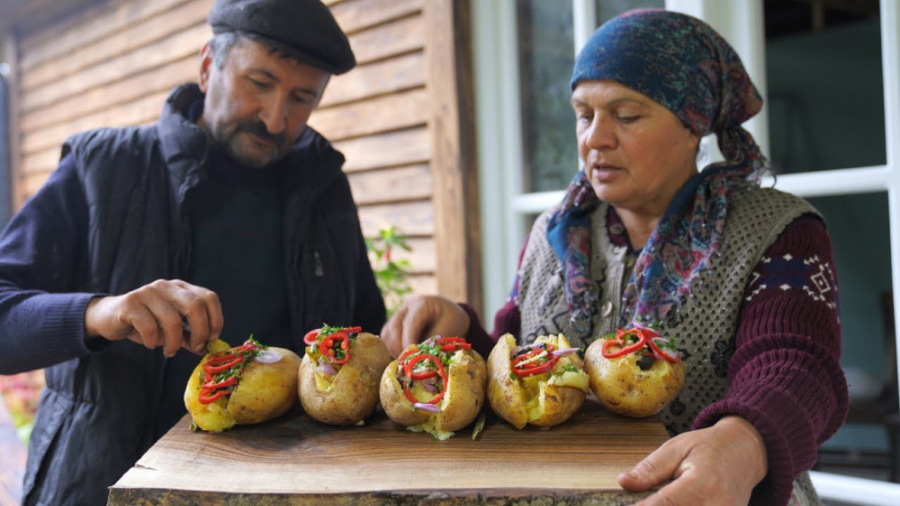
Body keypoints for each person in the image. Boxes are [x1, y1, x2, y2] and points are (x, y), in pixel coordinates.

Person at [382, 9, 848, 506]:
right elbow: (515, 368)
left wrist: (744, 443)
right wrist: (459, 331)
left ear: (693, 126)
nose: (594, 139)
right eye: (584, 115)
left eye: (626, 116)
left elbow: (798, 365)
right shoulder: (554, 233)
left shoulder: (778, 231)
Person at [0, 0, 386, 504]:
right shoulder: (103, 168)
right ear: (208, 67)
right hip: (100, 486)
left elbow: (365, 332)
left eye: (301, 97)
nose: (275, 118)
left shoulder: (325, 187)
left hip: (282, 489)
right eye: (259, 84)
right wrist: (102, 312)